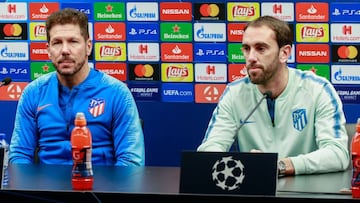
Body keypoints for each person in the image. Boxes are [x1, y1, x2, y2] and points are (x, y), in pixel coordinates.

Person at [197, 15, 350, 176]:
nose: (251, 58)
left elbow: (337, 154)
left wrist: (279, 166)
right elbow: (208, 150)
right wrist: (240, 164)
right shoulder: (235, 93)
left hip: (306, 190)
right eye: (246, 49)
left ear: (284, 53)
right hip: (254, 192)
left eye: (261, 48)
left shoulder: (318, 89)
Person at [9, 8, 145, 166]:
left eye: (73, 41)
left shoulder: (117, 93)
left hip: (101, 188)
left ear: (88, 47)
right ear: (48, 50)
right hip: (45, 189)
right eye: (57, 42)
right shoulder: (33, 93)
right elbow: (19, 155)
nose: (65, 50)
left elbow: (131, 162)